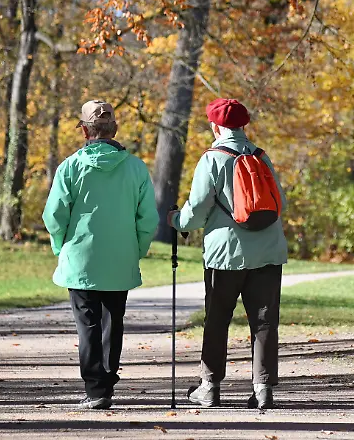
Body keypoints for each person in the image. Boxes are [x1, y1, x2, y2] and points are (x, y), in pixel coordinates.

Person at [168, 98, 288, 410]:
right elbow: (281, 204)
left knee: (218, 319)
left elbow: (195, 211)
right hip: (269, 251)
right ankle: (263, 391)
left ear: (216, 125)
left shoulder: (213, 158)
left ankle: (209, 388)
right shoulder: (261, 156)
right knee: (264, 322)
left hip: (226, 255)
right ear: (243, 125)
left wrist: (175, 220)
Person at [43, 99, 158, 410]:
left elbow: (54, 215)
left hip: (81, 257)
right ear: (115, 129)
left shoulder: (70, 167)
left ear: (84, 130)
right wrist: (137, 248)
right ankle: (104, 387)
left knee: (88, 325)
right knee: (112, 323)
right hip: (120, 258)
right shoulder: (136, 168)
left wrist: (60, 246)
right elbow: (148, 219)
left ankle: (95, 389)